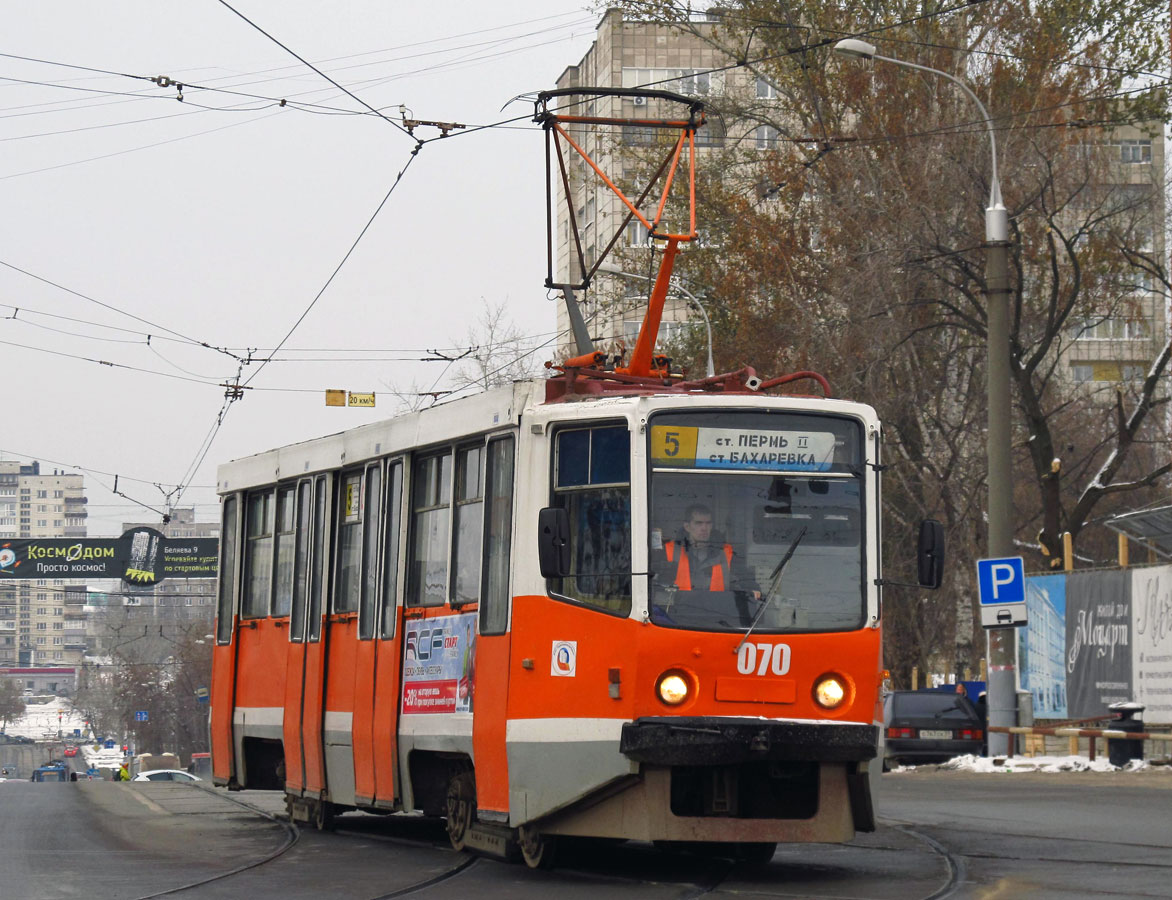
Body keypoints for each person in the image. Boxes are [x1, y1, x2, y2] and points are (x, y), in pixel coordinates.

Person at [653, 504, 760, 623]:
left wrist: (752, 589)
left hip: (718, 620)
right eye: (698, 523)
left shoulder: (726, 552)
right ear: (687, 526)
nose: (704, 528)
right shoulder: (669, 551)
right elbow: (652, 582)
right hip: (676, 619)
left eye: (708, 523)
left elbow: (745, 579)